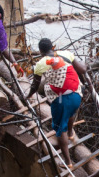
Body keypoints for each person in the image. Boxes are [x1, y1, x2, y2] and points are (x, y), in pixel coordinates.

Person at [27, 38, 93, 166]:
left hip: (62, 100)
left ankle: (67, 162)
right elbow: (82, 69)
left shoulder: (41, 64)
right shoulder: (66, 54)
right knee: (70, 113)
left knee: (59, 130)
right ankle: (71, 133)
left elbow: (35, 86)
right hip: (77, 95)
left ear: (41, 51)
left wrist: (28, 95)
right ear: (53, 47)